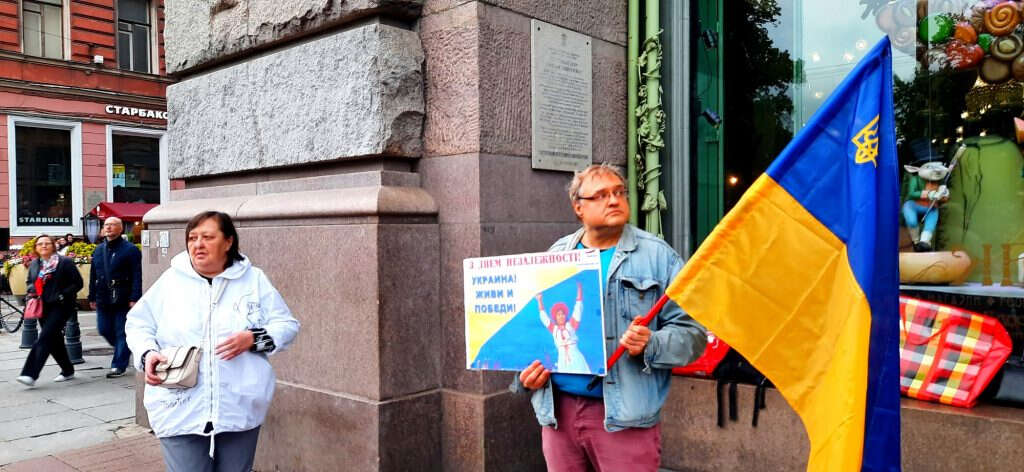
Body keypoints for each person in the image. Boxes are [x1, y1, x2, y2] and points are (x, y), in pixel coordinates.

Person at [511, 163, 706, 471]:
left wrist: (652, 343)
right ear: (578, 207)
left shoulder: (659, 256)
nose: (614, 200)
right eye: (601, 195)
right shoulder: (557, 255)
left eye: (619, 192)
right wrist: (525, 377)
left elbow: (693, 335)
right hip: (557, 414)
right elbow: (534, 330)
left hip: (624, 420)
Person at [126, 211, 299, 472]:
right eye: (192, 238)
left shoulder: (254, 280)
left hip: (238, 400)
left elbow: (286, 325)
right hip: (178, 402)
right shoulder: (171, 281)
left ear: (228, 241)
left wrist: (253, 338)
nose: (198, 244)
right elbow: (138, 323)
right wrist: (147, 353)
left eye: (207, 237)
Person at [15, 235, 84, 387]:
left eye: (47, 243)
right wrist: (31, 291)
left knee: (45, 336)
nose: (44, 246)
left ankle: (29, 374)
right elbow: (30, 281)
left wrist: (62, 294)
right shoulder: (35, 263)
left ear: (53, 246)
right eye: (40, 244)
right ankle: (67, 370)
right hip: (42, 306)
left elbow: (78, 283)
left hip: (61, 306)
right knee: (54, 339)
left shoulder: (64, 262)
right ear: (36, 247)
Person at [89, 217, 142, 378]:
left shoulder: (130, 250)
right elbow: (93, 275)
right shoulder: (98, 250)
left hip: (123, 296)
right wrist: (91, 296)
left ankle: (118, 364)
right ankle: (124, 349)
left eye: (112, 225)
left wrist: (135, 297)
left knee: (121, 331)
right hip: (103, 296)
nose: (108, 227)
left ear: (120, 228)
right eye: (106, 225)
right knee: (104, 329)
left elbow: (137, 274)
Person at [537, 282, 589, 373]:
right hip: (562, 361)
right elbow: (544, 317)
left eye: (562, 314)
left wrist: (579, 288)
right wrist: (539, 300)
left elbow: (578, 308)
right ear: (555, 317)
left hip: (576, 359)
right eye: (558, 314)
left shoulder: (571, 325)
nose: (561, 316)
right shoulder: (554, 329)